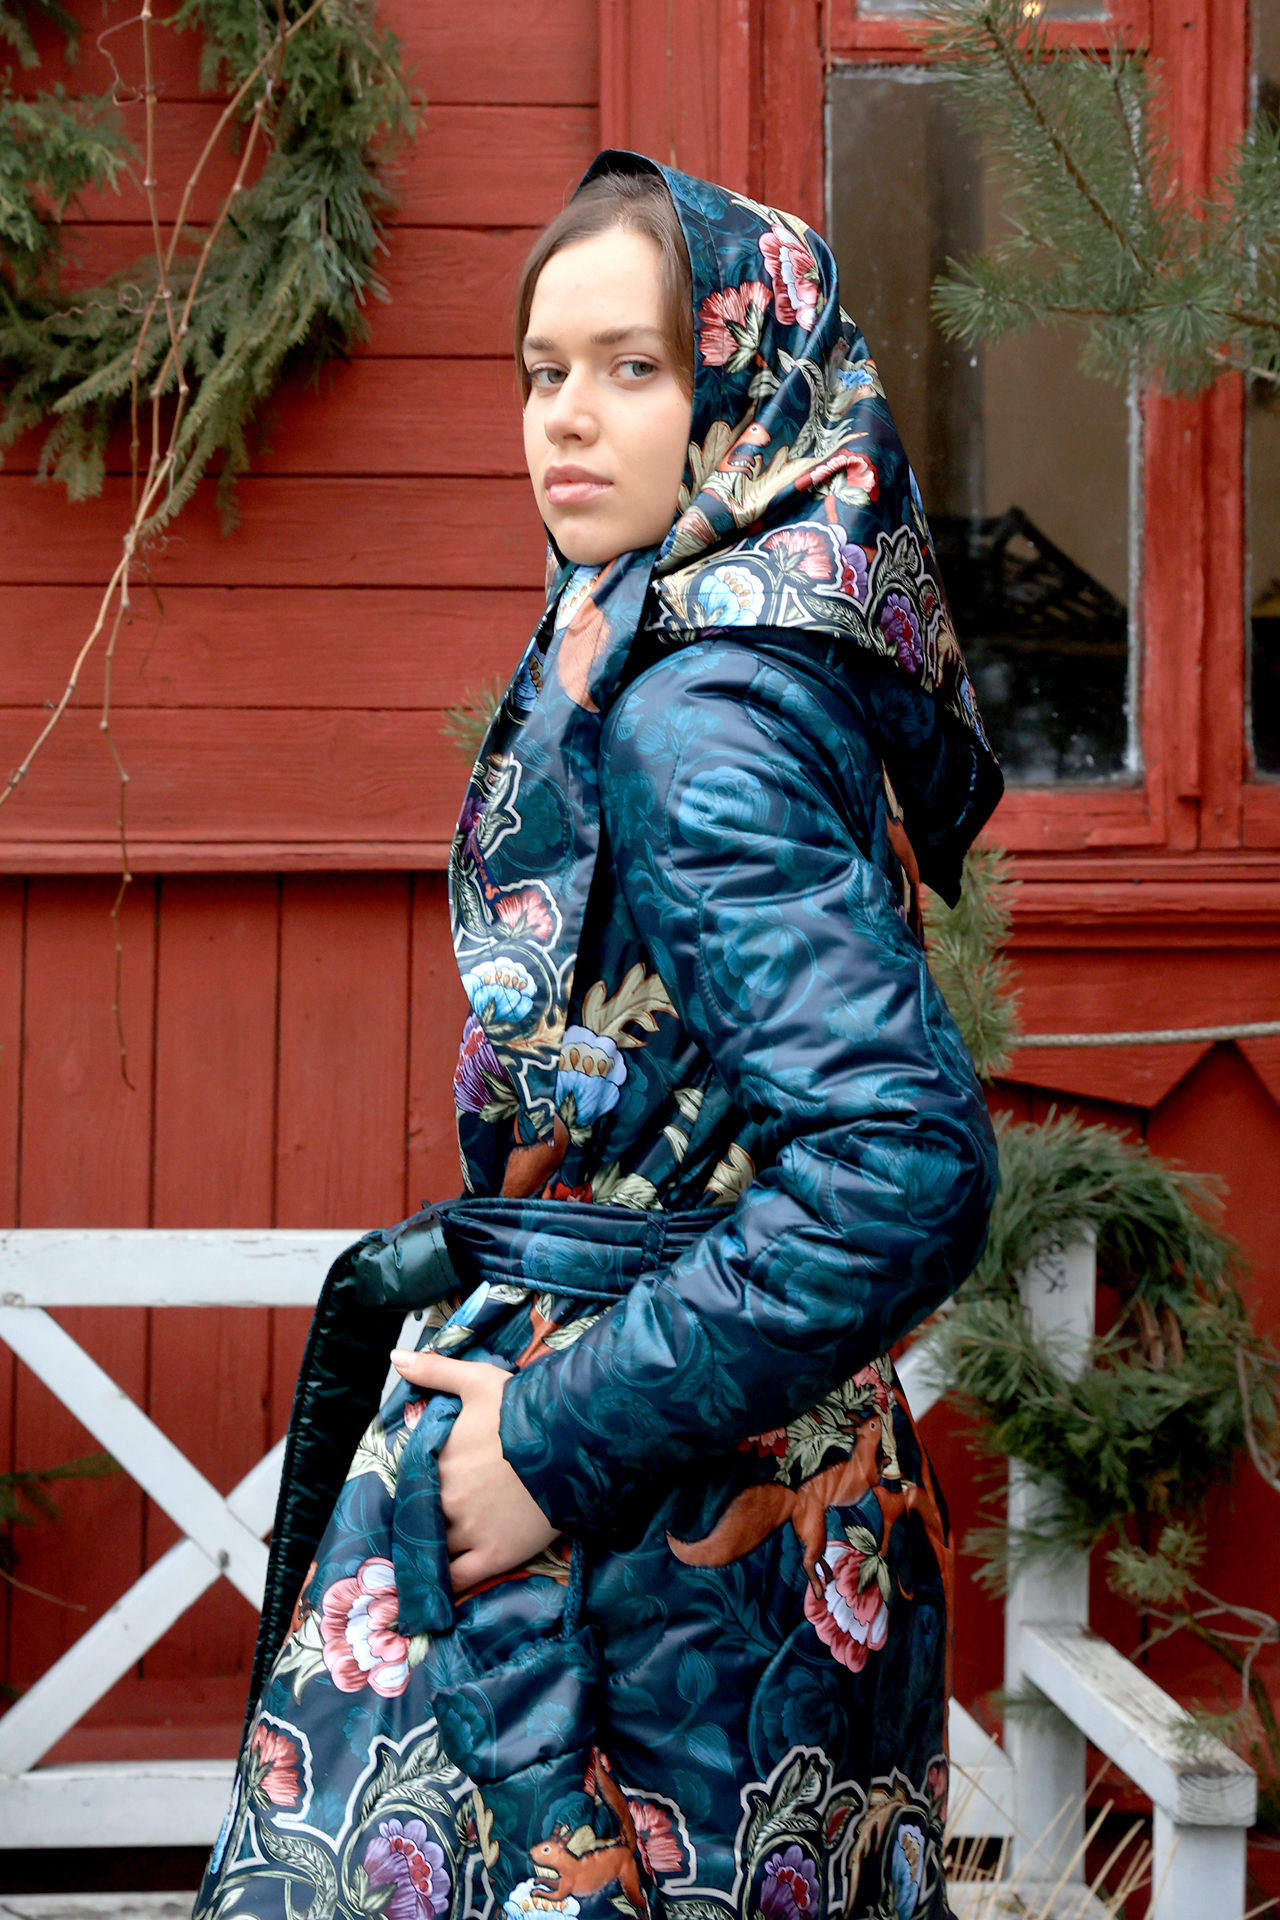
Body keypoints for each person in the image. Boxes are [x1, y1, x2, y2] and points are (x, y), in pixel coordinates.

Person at [194, 150, 1003, 1920]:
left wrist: (551, 1441)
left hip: (635, 1517)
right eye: (541, 370)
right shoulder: (730, 657)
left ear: (747, 390)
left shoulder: (699, 715)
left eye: (634, 368)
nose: (564, 418)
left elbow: (904, 1165)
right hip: (736, 1478)